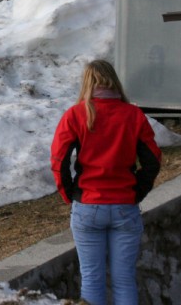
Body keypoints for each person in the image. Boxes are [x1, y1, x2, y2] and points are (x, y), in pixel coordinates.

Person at [50, 60, 161, 305]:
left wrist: (70, 194)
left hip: (88, 205)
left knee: (91, 279)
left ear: (87, 83)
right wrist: (136, 191)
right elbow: (152, 161)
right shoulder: (133, 114)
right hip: (124, 205)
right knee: (124, 280)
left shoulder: (75, 114)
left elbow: (59, 160)